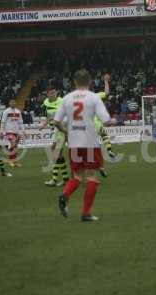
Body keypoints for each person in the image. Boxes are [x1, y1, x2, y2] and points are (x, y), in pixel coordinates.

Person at [54, 69, 111, 222]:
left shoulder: (66, 98)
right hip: (90, 143)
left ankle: (65, 195)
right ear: (90, 81)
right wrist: (113, 122)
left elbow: (56, 122)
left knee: (78, 176)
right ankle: (85, 213)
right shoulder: (93, 97)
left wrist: (66, 130)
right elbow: (106, 120)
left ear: (74, 82)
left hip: (74, 143)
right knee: (92, 177)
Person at [39, 87, 69, 187]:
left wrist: (65, 131)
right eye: (51, 92)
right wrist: (44, 124)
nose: (53, 94)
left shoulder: (62, 101)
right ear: (47, 94)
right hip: (55, 129)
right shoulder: (46, 102)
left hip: (61, 128)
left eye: (54, 92)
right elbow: (49, 116)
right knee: (58, 155)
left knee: (55, 152)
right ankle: (65, 179)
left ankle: (55, 179)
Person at [94, 74, 116, 177]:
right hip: (96, 123)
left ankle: (100, 167)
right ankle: (109, 149)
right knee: (104, 136)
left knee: (93, 150)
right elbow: (107, 93)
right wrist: (106, 81)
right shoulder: (96, 96)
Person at [0, 99, 24, 167]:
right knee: (13, 144)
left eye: (14, 102)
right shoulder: (6, 111)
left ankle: (15, 161)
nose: (13, 103)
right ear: (9, 103)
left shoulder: (18, 111)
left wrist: (23, 131)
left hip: (16, 131)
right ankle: (11, 160)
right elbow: (3, 121)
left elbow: (20, 122)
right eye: (11, 102)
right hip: (9, 131)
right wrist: (2, 131)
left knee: (15, 147)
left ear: (15, 103)